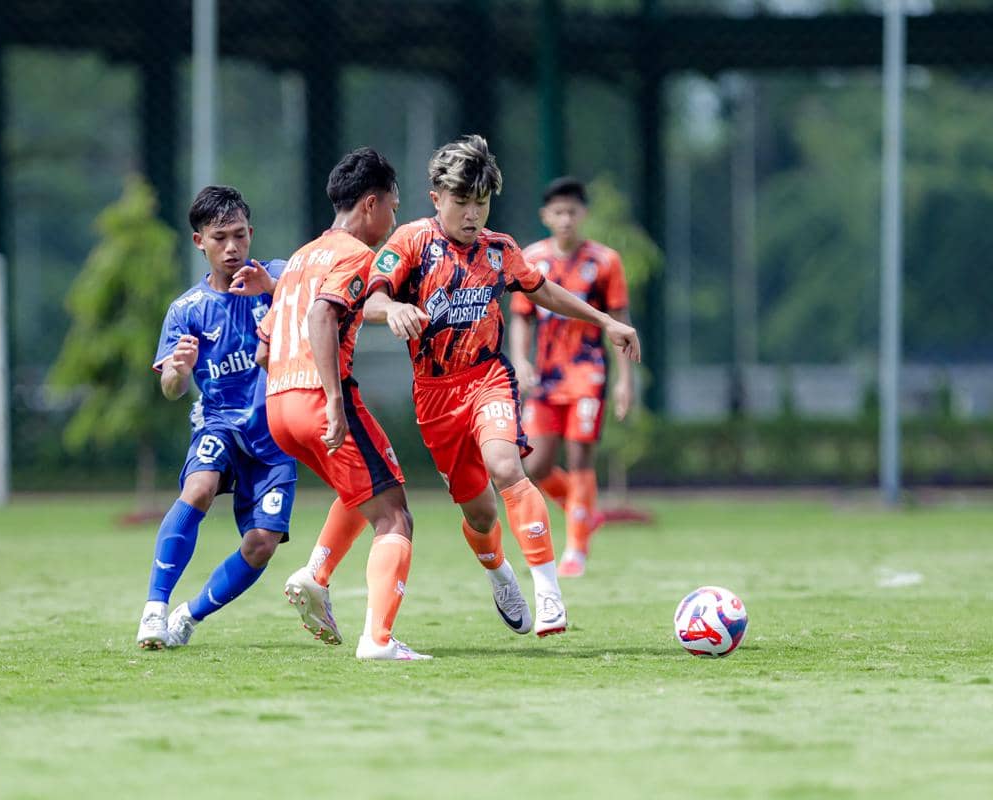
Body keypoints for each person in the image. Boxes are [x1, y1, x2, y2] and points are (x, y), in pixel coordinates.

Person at [363, 135, 641, 637]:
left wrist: (607, 322)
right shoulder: (410, 242)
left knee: (507, 466)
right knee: (480, 512)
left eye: (482, 203)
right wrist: (394, 308)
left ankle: (550, 592)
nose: (473, 214)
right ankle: (500, 573)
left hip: (487, 378)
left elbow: (547, 292)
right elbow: (371, 299)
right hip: (434, 394)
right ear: (436, 199)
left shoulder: (500, 249)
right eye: (462, 202)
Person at [256, 146, 431, 661]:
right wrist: (332, 400)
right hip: (317, 397)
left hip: (278, 404)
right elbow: (320, 318)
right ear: (372, 204)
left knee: (366, 491)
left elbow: (265, 346)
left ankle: (316, 574)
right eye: (394, 209)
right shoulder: (355, 255)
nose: (394, 221)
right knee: (395, 514)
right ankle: (377, 640)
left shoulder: (300, 257)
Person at [135, 185, 295, 650]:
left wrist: (275, 290)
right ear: (198, 242)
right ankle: (154, 609)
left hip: (275, 434)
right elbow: (171, 388)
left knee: (262, 544)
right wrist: (179, 371)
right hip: (220, 423)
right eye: (220, 237)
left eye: (240, 236)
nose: (232, 248)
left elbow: (318, 291)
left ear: (252, 234)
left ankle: (189, 615)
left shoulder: (278, 279)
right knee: (199, 488)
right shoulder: (186, 310)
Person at [510, 177, 633, 578]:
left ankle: (576, 548)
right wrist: (520, 360)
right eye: (558, 212)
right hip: (545, 378)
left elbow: (619, 322)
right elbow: (521, 318)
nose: (565, 220)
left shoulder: (605, 261)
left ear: (584, 215)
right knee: (537, 466)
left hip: (587, 375)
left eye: (572, 212)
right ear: (546, 216)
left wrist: (623, 379)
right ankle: (584, 513)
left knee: (580, 456)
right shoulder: (531, 259)